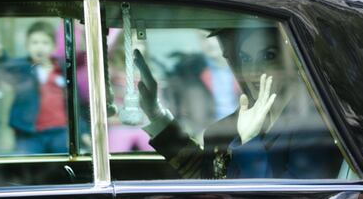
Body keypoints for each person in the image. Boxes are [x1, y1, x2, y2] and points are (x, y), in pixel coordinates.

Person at [133, 27, 343, 179]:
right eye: (244, 58)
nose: (252, 71)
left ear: (293, 62)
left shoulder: (315, 128)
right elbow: (208, 181)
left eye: (268, 56)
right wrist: (155, 113)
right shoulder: (232, 123)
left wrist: (250, 141)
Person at [0, 21, 68, 154]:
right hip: (29, 134)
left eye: (45, 43)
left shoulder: (63, 69)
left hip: (59, 132)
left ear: (54, 46)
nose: (39, 47)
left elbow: (74, 102)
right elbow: (6, 65)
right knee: (27, 170)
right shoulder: (23, 68)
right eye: (34, 43)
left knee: (60, 169)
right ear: (27, 46)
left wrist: (82, 131)